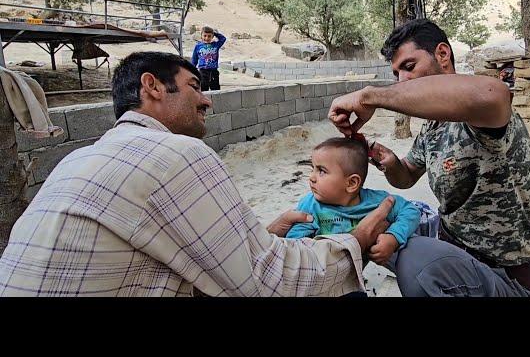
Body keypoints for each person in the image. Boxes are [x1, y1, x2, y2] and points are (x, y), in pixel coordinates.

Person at [0, 51, 393, 297]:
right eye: (194, 86)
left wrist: (260, 235)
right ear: (151, 87)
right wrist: (356, 240)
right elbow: (270, 282)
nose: (207, 99)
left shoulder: (77, 158)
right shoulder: (177, 152)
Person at [328, 18, 530, 297]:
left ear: (443, 54)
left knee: (415, 261)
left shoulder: (478, 114)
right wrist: (388, 159)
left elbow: (495, 95)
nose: (402, 81)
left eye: (409, 67)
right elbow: (406, 176)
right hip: (452, 243)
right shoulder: (433, 125)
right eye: (396, 74)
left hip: (502, 273)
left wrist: (371, 96)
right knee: (368, 223)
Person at [286, 137, 420, 268]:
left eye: (321, 171)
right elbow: (293, 248)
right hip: (326, 275)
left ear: (351, 183)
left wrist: (393, 237)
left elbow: (410, 211)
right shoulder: (310, 206)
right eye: (312, 169)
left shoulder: (377, 202)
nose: (311, 178)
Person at [191, 25, 226, 91]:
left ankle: (215, 101)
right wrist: (192, 70)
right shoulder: (198, 46)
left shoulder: (216, 45)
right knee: (203, 88)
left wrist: (214, 33)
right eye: (205, 36)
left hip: (214, 71)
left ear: (212, 36)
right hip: (203, 71)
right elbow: (194, 59)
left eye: (209, 36)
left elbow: (223, 38)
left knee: (216, 89)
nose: (207, 38)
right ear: (201, 36)